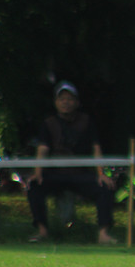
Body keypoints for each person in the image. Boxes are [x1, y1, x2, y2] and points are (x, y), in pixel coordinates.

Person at [26, 81, 116, 244]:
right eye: (62, 99)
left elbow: (96, 148)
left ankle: (103, 233)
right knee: (34, 187)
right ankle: (42, 231)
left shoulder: (87, 122)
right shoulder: (49, 123)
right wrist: (37, 173)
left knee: (105, 188)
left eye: (69, 99)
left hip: (80, 174)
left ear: (77, 102)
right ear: (56, 103)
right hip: (55, 173)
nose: (65, 102)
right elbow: (43, 149)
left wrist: (101, 174)